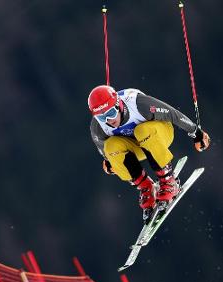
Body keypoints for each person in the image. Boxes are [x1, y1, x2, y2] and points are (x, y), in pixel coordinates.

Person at [88, 85, 210, 223]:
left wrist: (196, 133)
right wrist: (110, 161)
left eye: (110, 113)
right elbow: (103, 149)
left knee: (142, 131)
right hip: (137, 146)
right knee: (111, 146)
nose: (108, 120)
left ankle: (168, 181)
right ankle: (146, 187)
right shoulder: (98, 127)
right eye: (101, 117)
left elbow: (172, 114)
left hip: (160, 134)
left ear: (119, 105)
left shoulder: (139, 104)